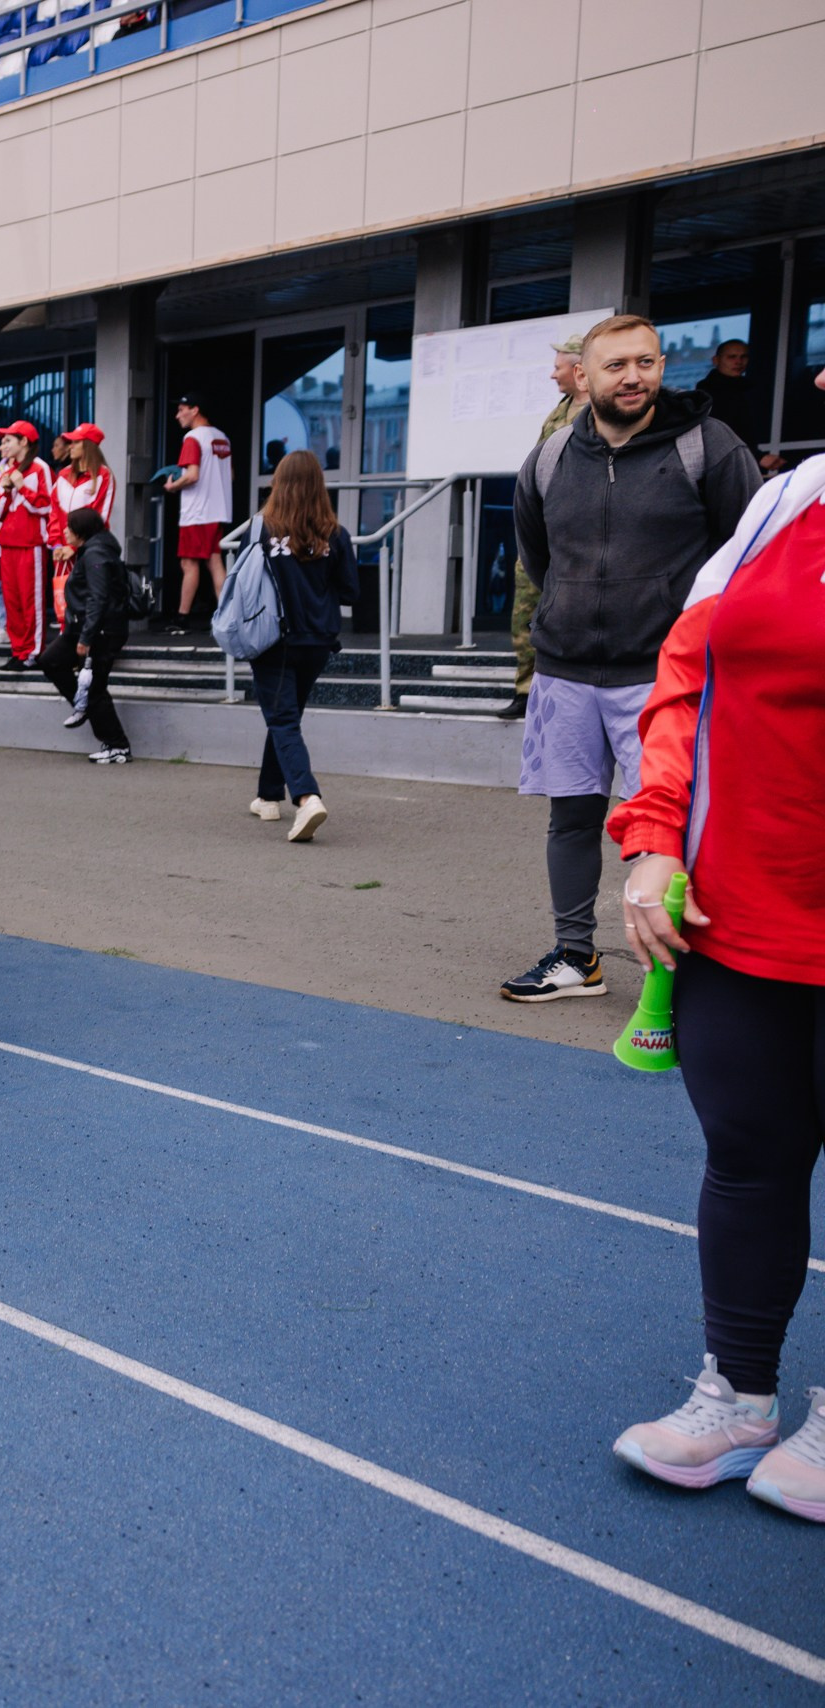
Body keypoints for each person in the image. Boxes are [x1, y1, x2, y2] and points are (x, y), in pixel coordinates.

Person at [604, 443, 825, 1516]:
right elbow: (683, 677)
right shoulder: (783, 503)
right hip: (739, 911)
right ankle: (737, 1397)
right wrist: (650, 838)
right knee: (746, 1157)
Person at [501, 313, 762, 1002]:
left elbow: (747, 557)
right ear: (583, 377)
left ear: (661, 367)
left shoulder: (709, 447)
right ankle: (575, 958)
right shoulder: (551, 459)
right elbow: (538, 556)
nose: (633, 376)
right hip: (566, 669)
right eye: (616, 365)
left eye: (645, 362)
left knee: (668, 828)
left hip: (664, 676)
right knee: (573, 819)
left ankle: (672, 979)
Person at [240, 451, 358, 837]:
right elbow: (351, 592)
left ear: (279, 484)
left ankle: (307, 798)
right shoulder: (335, 535)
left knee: (283, 719)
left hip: (273, 638)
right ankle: (268, 797)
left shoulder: (261, 528)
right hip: (317, 641)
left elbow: (243, 583)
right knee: (286, 718)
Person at [504, 334, 588, 721]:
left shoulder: (599, 414)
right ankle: (525, 688)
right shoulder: (559, 410)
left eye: (558, 367)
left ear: (578, 369)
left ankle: (558, 691)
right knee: (525, 606)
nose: (552, 375)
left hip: (577, 533)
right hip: (544, 525)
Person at [38, 505, 133, 763]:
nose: (65, 532)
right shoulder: (92, 550)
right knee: (50, 661)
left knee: (95, 688)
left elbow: (98, 599)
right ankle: (83, 706)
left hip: (99, 632)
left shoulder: (96, 555)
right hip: (83, 628)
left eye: (70, 527)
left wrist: (86, 638)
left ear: (82, 531)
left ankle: (117, 745)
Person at [0, 419, 63, 665]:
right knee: (12, 600)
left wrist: (21, 487)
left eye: (8, 440)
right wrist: (6, 490)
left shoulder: (40, 469)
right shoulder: (5, 471)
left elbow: (48, 506)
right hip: (7, 544)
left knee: (31, 601)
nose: (3, 446)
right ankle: (18, 651)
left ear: (24, 442)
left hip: (31, 544)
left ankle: (33, 651)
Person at [163, 395, 233, 633]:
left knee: (189, 563)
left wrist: (173, 485)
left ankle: (182, 618)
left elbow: (193, 475)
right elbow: (230, 475)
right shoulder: (222, 437)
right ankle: (226, 616)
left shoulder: (193, 438)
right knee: (215, 562)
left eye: (181, 409)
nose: (177, 415)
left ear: (195, 410)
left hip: (198, 513)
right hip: (219, 509)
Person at [51, 423, 116, 630]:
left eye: (76, 442)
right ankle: (66, 643)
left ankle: (86, 649)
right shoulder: (62, 475)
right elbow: (54, 513)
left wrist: (76, 546)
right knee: (63, 603)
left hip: (88, 553)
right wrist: (55, 544)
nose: (70, 446)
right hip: (62, 551)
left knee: (88, 600)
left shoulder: (104, 476)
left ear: (88, 445)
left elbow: (100, 518)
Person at [690, 338, 770, 461]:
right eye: (732, 357)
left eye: (743, 357)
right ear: (716, 361)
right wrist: (757, 456)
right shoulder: (708, 394)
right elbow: (719, 434)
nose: (738, 362)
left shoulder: (750, 389)